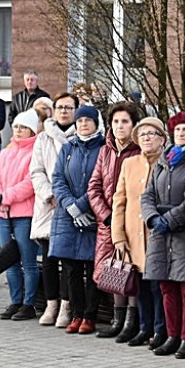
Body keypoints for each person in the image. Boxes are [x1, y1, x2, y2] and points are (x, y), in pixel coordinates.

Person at [139, 112, 185, 359]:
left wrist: (170, 219)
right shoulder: (164, 160)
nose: (181, 134)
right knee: (166, 286)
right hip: (160, 233)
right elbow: (147, 195)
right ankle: (172, 335)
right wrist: (153, 218)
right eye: (178, 130)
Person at [113, 117, 168, 348]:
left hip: (157, 236)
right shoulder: (129, 163)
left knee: (157, 286)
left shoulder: (167, 163)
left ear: (162, 139)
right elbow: (120, 200)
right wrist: (118, 236)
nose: (146, 137)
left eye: (152, 133)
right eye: (142, 134)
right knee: (140, 285)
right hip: (133, 235)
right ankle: (144, 328)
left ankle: (160, 330)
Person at [89, 101, 141, 339]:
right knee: (113, 269)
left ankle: (133, 320)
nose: (120, 126)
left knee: (132, 269)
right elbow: (94, 187)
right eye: (116, 121)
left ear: (133, 125)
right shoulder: (105, 150)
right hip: (108, 221)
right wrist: (106, 215)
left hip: (133, 220)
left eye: (125, 122)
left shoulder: (139, 150)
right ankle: (117, 319)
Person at [50, 106, 105, 334]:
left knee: (93, 268)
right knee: (71, 269)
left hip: (93, 215)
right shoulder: (68, 147)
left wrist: (82, 205)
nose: (83, 124)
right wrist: (69, 205)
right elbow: (57, 178)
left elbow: (102, 181)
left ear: (96, 122)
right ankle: (76, 314)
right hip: (68, 217)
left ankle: (90, 316)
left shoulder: (103, 148)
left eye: (88, 120)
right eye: (80, 120)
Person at [30, 92, 78, 327]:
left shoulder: (81, 136)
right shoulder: (43, 138)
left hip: (72, 204)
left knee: (67, 258)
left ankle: (67, 306)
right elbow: (36, 171)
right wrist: (49, 194)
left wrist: (67, 197)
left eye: (69, 107)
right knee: (48, 257)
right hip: (49, 203)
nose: (64, 111)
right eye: (60, 107)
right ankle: (51, 303)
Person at [0, 110, 40, 320]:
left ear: (31, 130)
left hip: (24, 214)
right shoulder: (6, 151)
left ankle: (29, 303)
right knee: (8, 260)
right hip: (3, 214)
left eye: (23, 127)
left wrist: (6, 196)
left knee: (28, 261)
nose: (18, 131)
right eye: (17, 126)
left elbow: (30, 183)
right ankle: (15, 300)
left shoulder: (35, 152)